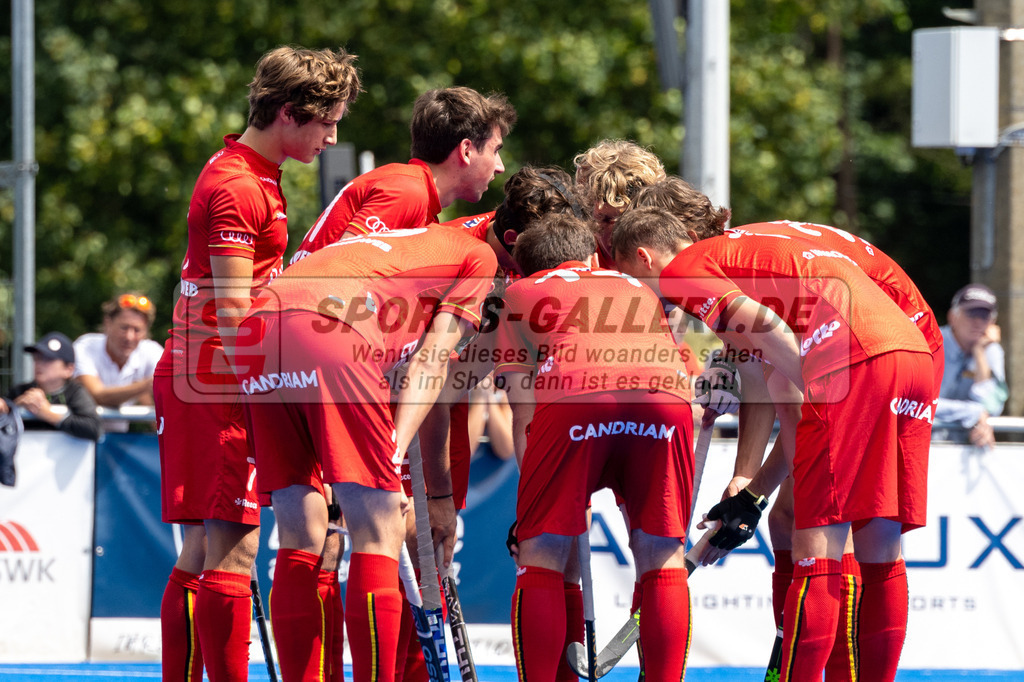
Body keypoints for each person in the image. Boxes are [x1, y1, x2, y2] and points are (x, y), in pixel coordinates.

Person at [628, 175, 946, 680]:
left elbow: (787, 380)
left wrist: (758, 483)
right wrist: (752, 490)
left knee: (819, 542)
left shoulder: (692, 269)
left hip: (861, 352)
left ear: (656, 247)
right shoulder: (759, 250)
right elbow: (783, 400)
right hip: (915, 351)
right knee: (876, 542)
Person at [152, 46, 361, 682]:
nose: (332, 139)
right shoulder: (239, 185)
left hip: (213, 375)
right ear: (289, 112)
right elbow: (233, 313)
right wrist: (282, 389)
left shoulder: (254, 172)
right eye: (327, 123)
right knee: (232, 553)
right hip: (217, 380)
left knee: (207, 548)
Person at [237, 224, 497, 682]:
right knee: (381, 528)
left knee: (301, 531)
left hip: (259, 329)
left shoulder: (424, 232)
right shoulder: (473, 250)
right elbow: (432, 368)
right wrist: (400, 452)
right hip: (334, 337)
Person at [495, 213, 695, 680]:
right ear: (590, 257)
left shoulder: (519, 293)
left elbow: (523, 411)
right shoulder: (637, 285)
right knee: (662, 554)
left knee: (542, 551)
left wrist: (533, 510)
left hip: (576, 400)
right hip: (665, 401)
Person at [290, 85, 517, 268]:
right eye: (495, 150)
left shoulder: (415, 192)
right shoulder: (408, 191)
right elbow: (342, 268)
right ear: (466, 151)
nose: (500, 167)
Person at [73, 292, 164, 432]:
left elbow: (170, 394)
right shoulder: (85, 346)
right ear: (107, 323)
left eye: (137, 330)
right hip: (78, 436)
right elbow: (97, 396)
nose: (129, 337)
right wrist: (146, 385)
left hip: (116, 439)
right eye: (124, 328)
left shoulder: (151, 351)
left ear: (146, 332)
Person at [572, 138, 666, 268]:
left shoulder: (668, 254)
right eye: (606, 221)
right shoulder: (577, 259)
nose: (617, 233)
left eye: (627, 219)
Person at [935, 283, 1006, 448]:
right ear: (952, 316)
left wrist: (979, 353)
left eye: (984, 316)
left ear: (993, 322)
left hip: (964, 447)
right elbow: (919, 403)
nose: (978, 322)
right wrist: (972, 412)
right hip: (921, 443)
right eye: (971, 314)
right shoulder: (931, 342)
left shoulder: (991, 350)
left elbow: (992, 407)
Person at [1, 332, 102, 441]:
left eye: (48, 359)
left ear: (69, 369)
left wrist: (48, 414)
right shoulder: (20, 391)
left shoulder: (75, 392)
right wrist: (14, 407)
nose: (39, 364)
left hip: (63, 452)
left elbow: (94, 428)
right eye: (37, 358)